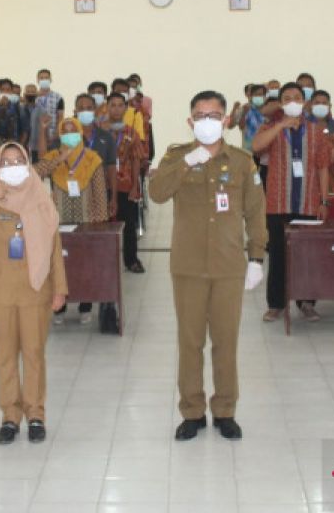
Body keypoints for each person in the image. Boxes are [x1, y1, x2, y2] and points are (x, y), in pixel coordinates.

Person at [149, 91, 268, 442]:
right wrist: (189, 160)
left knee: (225, 342)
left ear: (226, 120)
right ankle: (192, 411)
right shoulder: (176, 156)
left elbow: (255, 212)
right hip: (187, 266)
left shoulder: (243, 162)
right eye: (200, 115)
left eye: (214, 115)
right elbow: (156, 192)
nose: (207, 121)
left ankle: (225, 410)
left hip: (229, 265)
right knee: (189, 342)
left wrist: (256, 257)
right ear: (190, 121)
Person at [0, 142, 67, 445]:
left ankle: (35, 414)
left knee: (33, 353)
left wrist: (60, 289)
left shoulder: (42, 198)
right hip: (0, 289)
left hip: (36, 288)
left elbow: (54, 248)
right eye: (6, 162)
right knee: (5, 355)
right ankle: (10, 416)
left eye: (19, 160)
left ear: (28, 163)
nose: (13, 166)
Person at [251, 82, 331, 323]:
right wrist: (281, 126)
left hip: (308, 202)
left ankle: (306, 303)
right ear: (281, 103)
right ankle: (276, 304)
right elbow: (255, 146)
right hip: (278, 202)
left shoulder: (317, 132)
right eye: (287, 98)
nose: (293, 101)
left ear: (304, 102)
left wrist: (324, 200)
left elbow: (324, 167)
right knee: (277, 254)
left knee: (308, 255)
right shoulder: (270, 127)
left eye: (297, 97)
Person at [34, 117, 109, 324]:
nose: (69, 134)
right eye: (65, 131)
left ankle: (86, 305)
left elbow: (100, 193)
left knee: (85, 264)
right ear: (60, 135)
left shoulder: (93, 158)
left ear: (80, 133)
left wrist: (99, 223)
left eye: (73, 130)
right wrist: (59, 159)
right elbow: (35, 173)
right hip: (58, 220)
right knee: (60, 264)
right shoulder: (53, 157)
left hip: (86, 218)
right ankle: (60, 307)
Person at [106, 92, 148, 273]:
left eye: (119, 105)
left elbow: (137, 160)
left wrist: (134, 187)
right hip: (103, 186)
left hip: (125, 184)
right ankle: (105, 261)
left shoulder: (131, 132)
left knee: (129, 225)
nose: (116, 109)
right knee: (103, 226)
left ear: (125, 108)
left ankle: (131, 260)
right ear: (107, 108)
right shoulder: (99, 131)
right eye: (112, 105)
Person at [30, 69, 64, 158]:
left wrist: (56, 135)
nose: (44, 80)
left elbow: (60, 117)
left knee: (52, 164)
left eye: (46, 78)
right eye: (41, 78)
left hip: (52, 139)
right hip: (35, 139)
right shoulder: (32, 97)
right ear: (37, 80)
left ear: (51, 80)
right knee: (37, 165)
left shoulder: (58, 97)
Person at [227, 83, 268, 153]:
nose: (259, 97)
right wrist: (239, 111)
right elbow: (230, 126)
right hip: (249, 152)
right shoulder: (244, 109)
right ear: (251, 96)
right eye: (256, 95)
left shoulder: (270, 110)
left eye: (261, 94)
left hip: (267, 152)